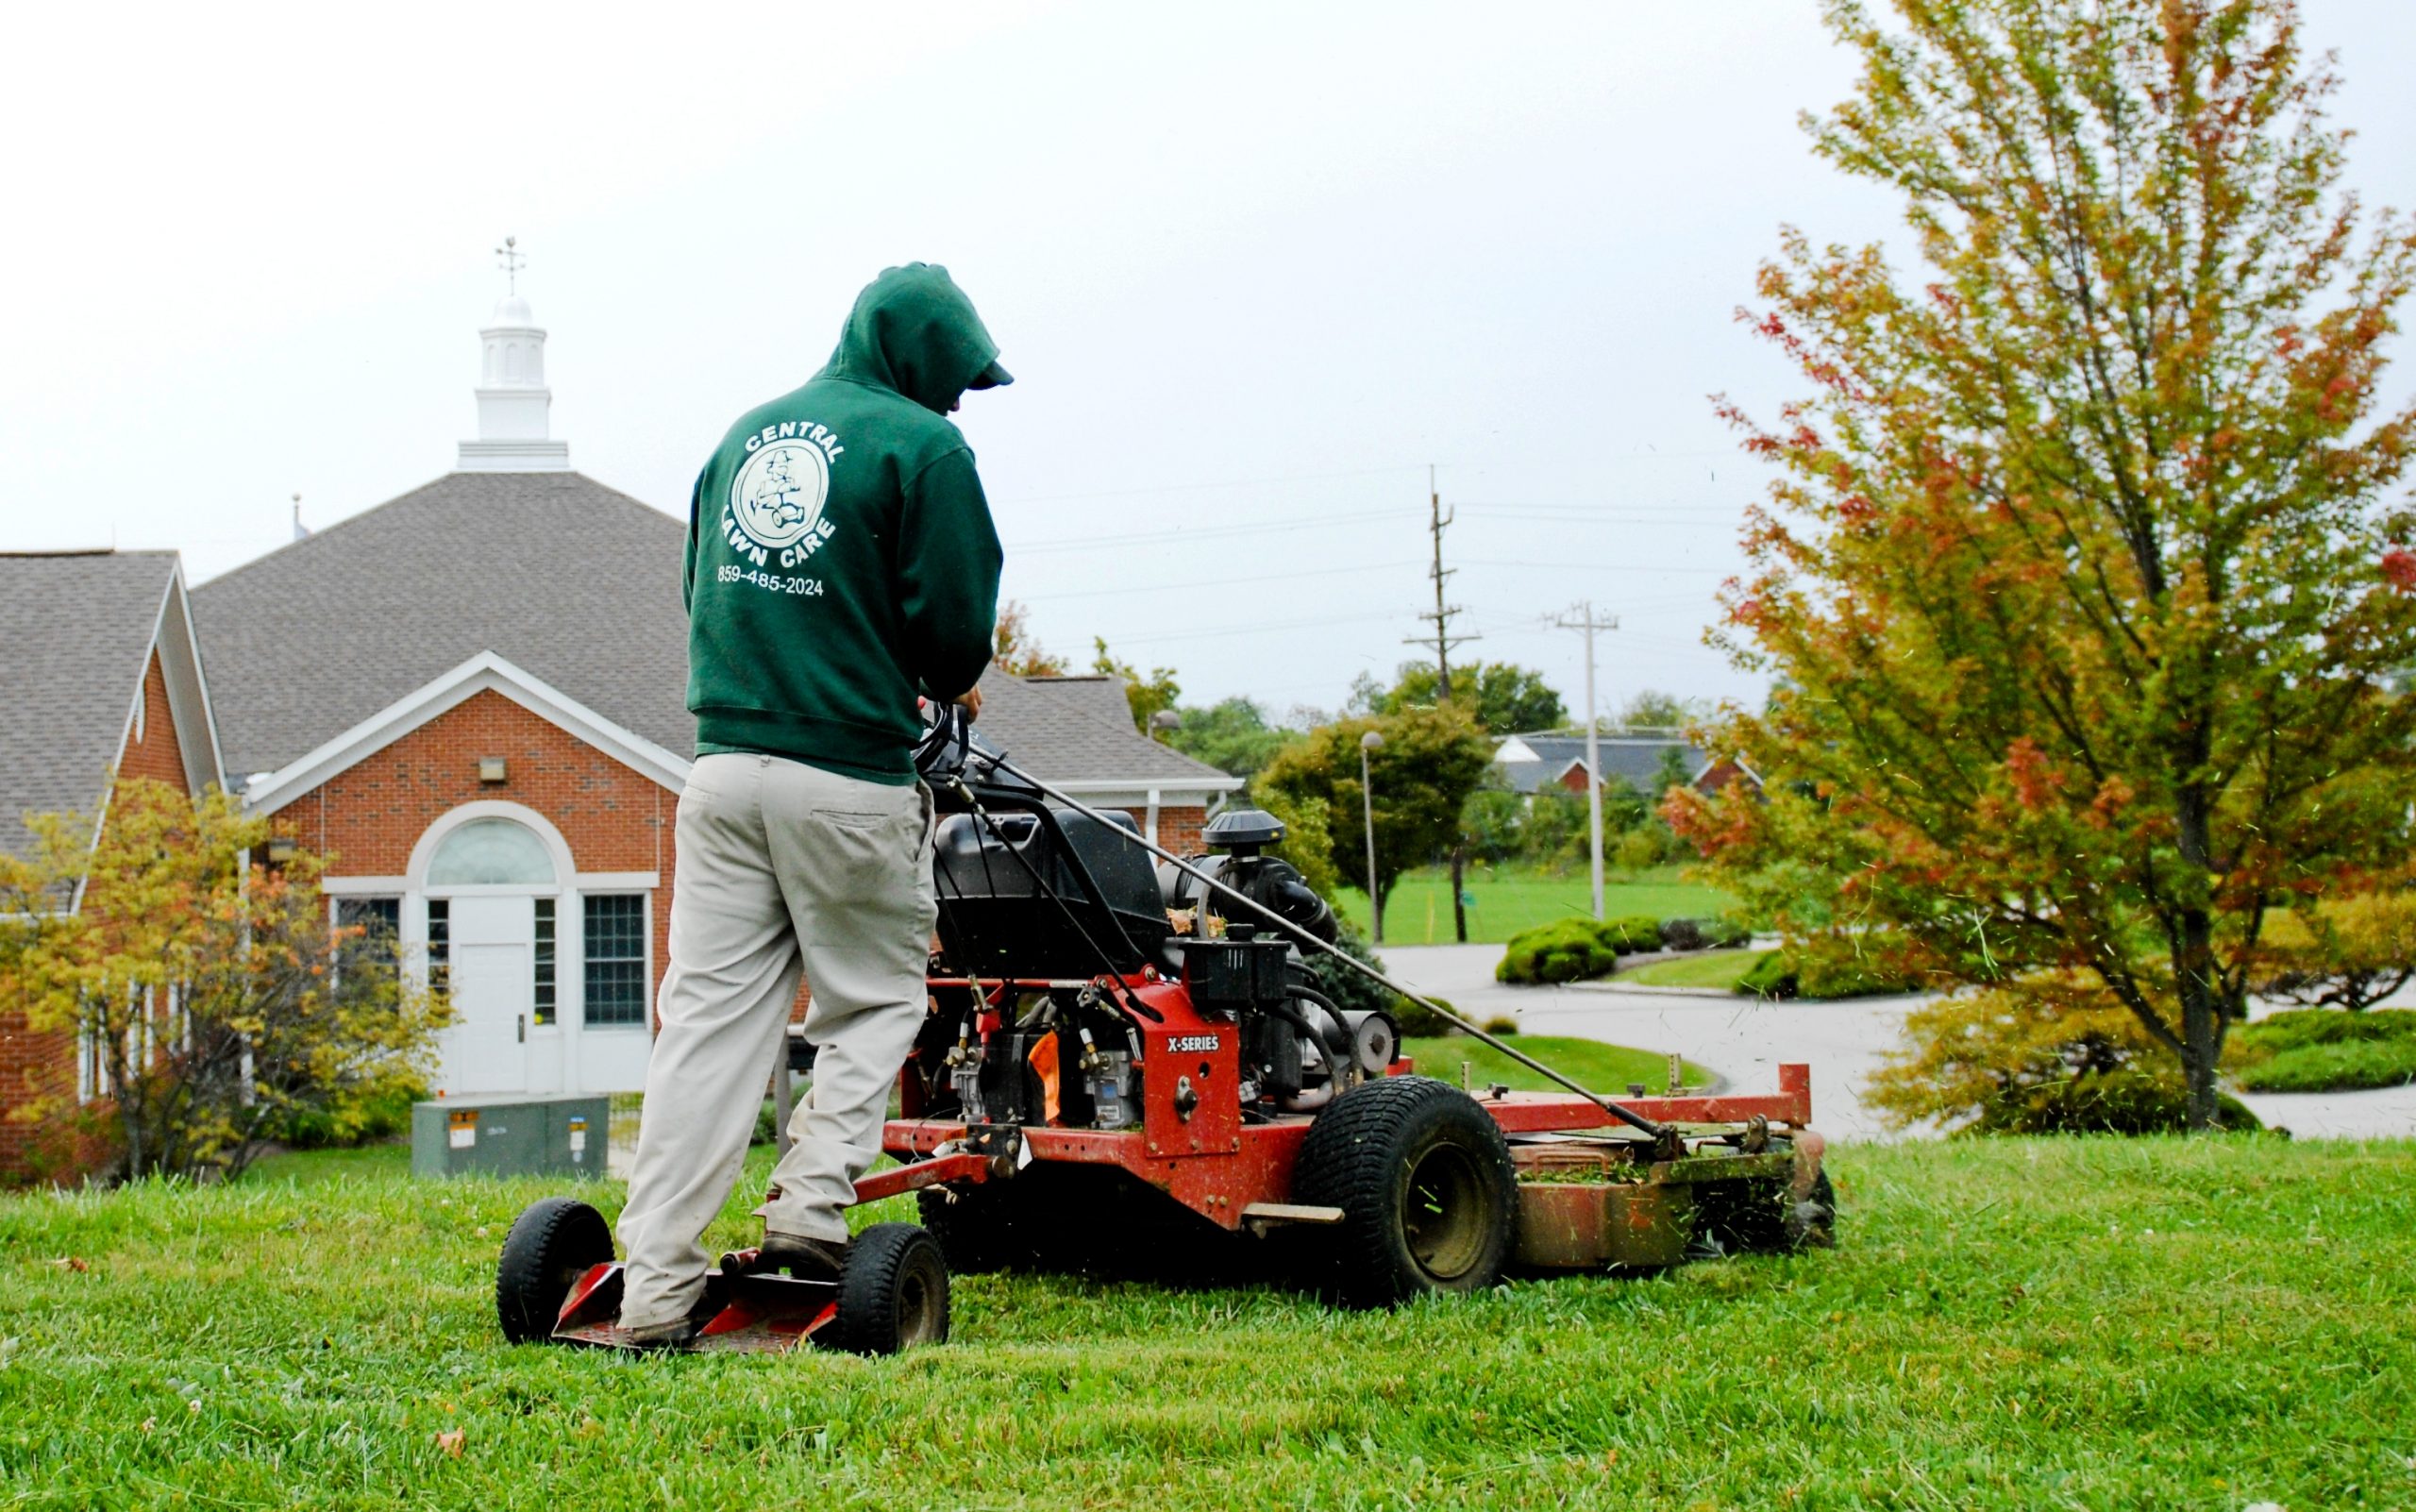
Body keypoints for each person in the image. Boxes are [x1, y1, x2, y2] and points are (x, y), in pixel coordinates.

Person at [614, 263, 1009, 1345]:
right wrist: (941, 671)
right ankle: (808, 1216)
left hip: (723, 769)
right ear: (924, 357)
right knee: (873, 1002)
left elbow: (700, 587)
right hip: (847, 779)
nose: (961, 401)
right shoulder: (922, 448)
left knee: (704, 1028)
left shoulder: (746, 434)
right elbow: (952, 634)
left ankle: (652, 1289)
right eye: (960, 378)